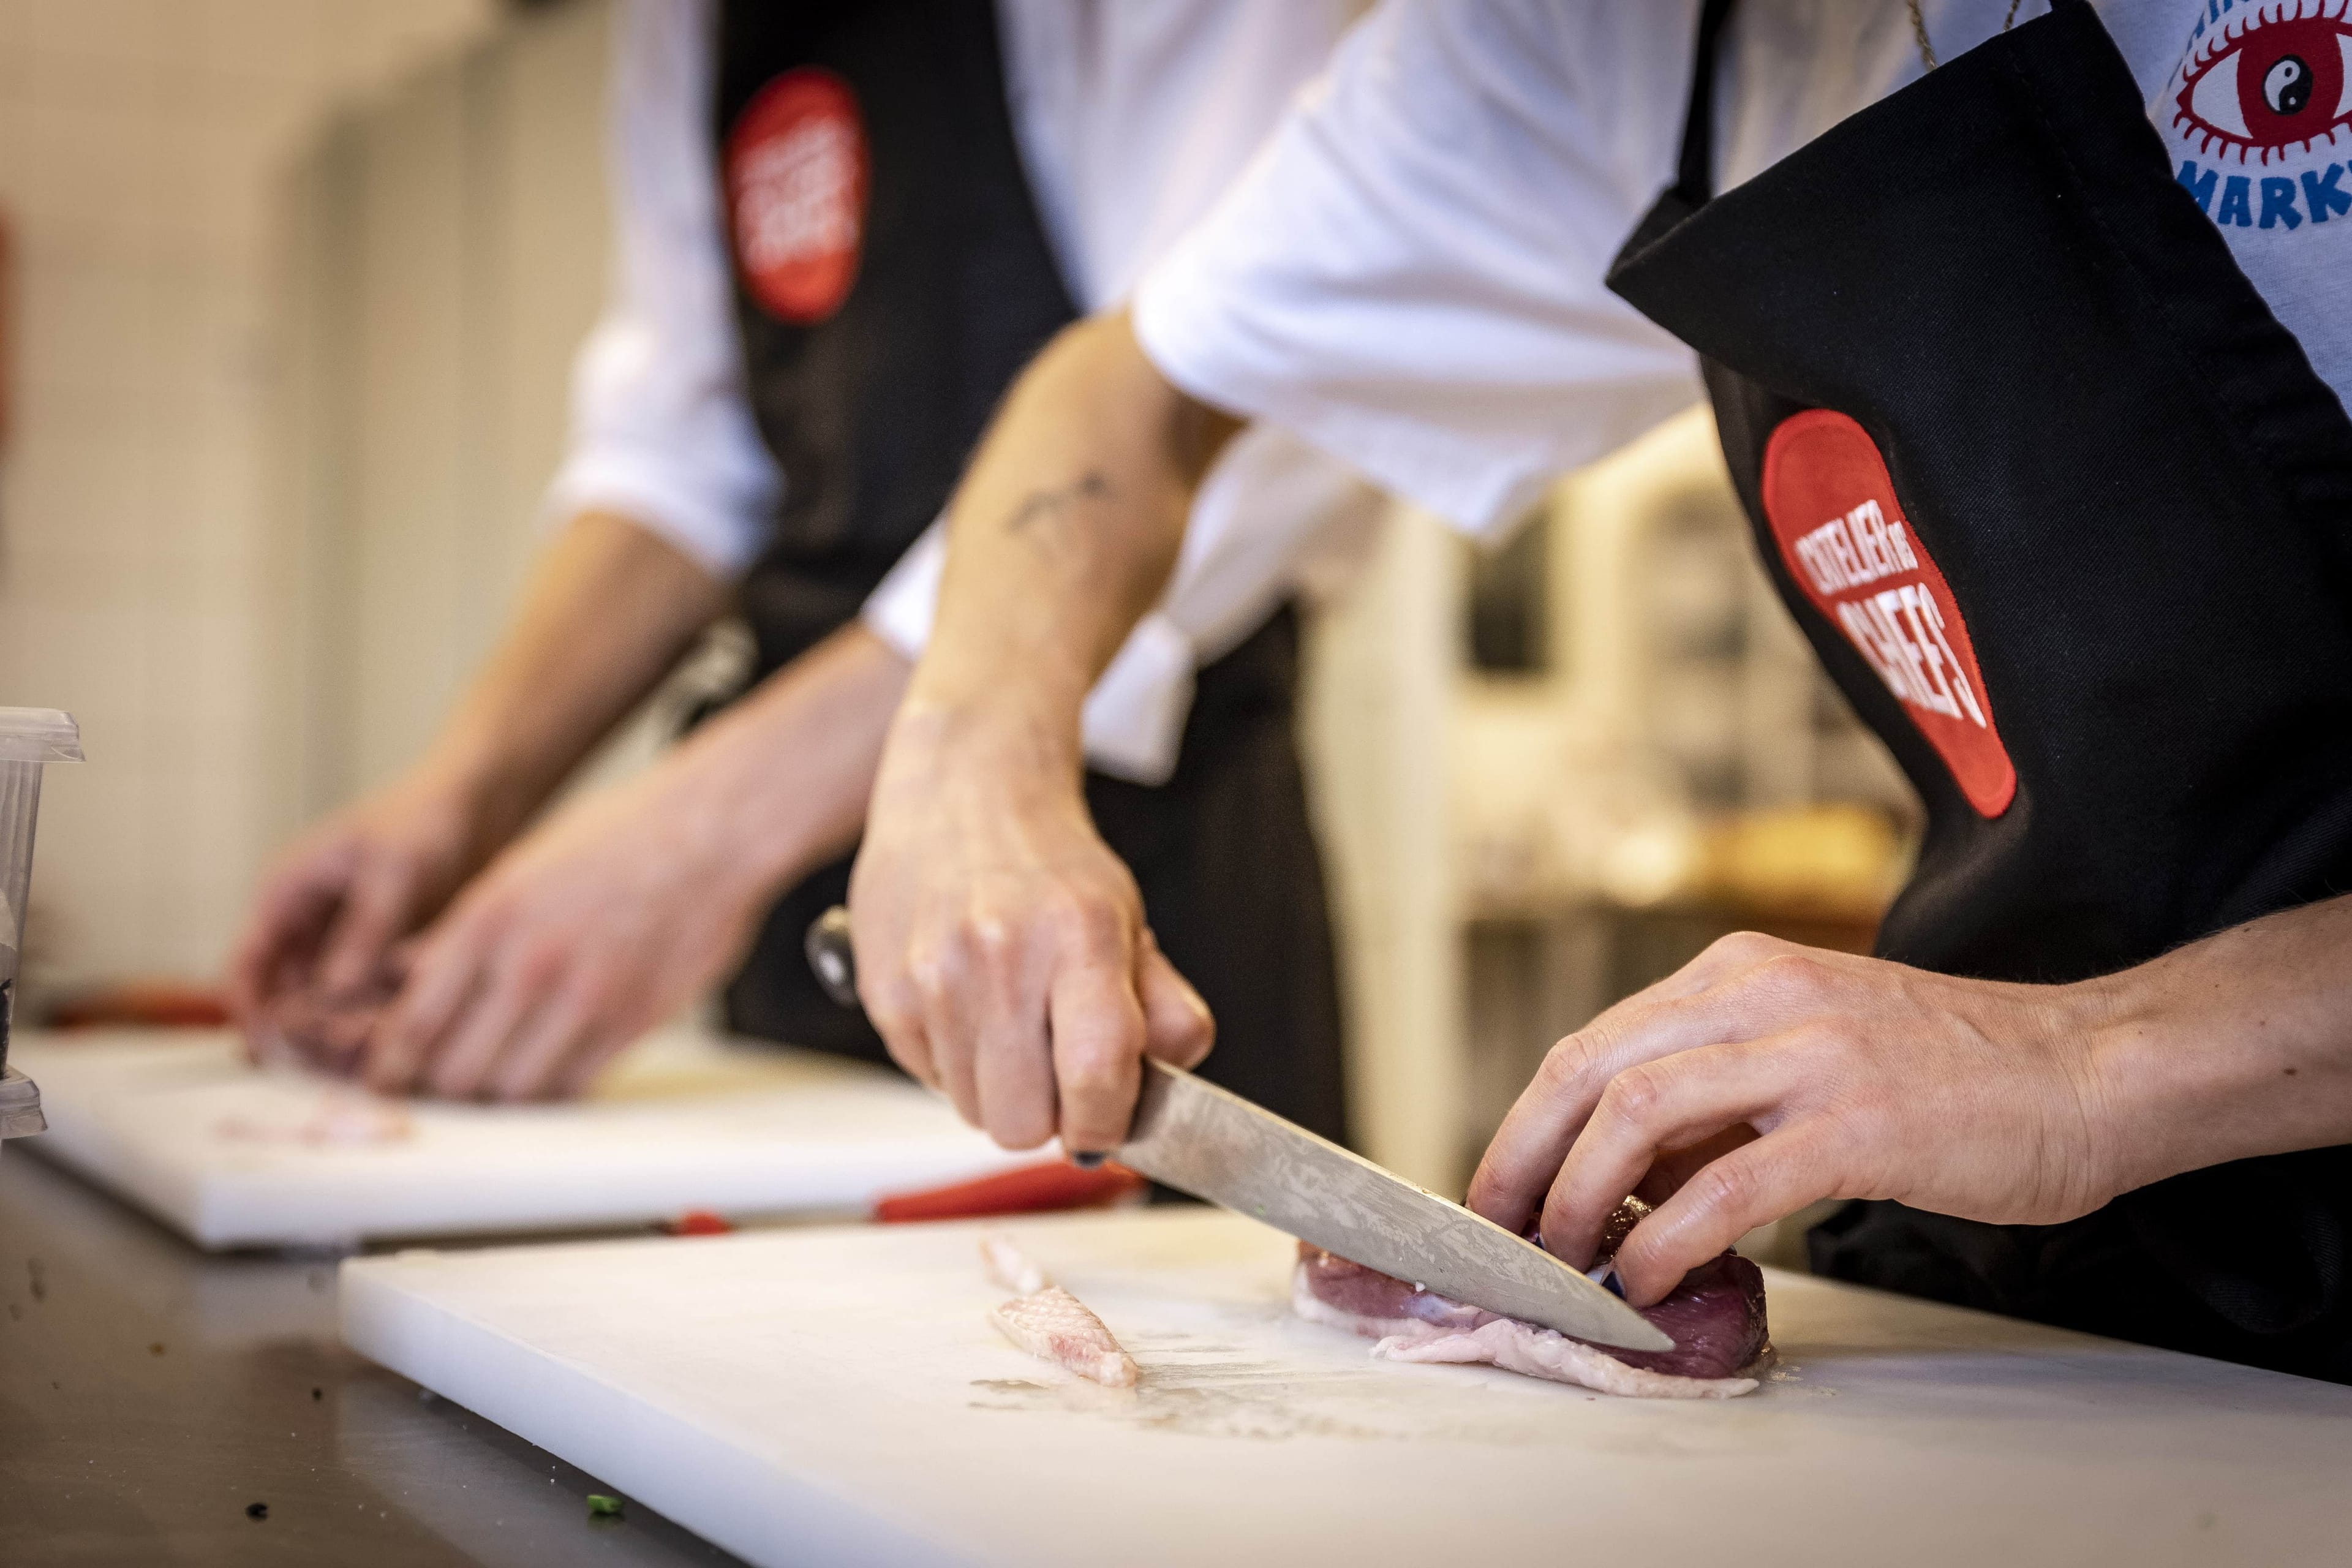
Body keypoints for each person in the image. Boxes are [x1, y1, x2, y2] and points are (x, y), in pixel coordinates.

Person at [844, 0, 2352, 1383]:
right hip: (2057, 1313)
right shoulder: (1592, 35)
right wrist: (970, 763)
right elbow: (1130, 389)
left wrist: (2084, 1064)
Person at [228, 0, 1378, 1145]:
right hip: (790, 911)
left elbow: (1223, 406)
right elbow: (681, 459)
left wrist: (694, 837)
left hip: (1140, 862)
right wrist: (460, 798)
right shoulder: (690, 28)